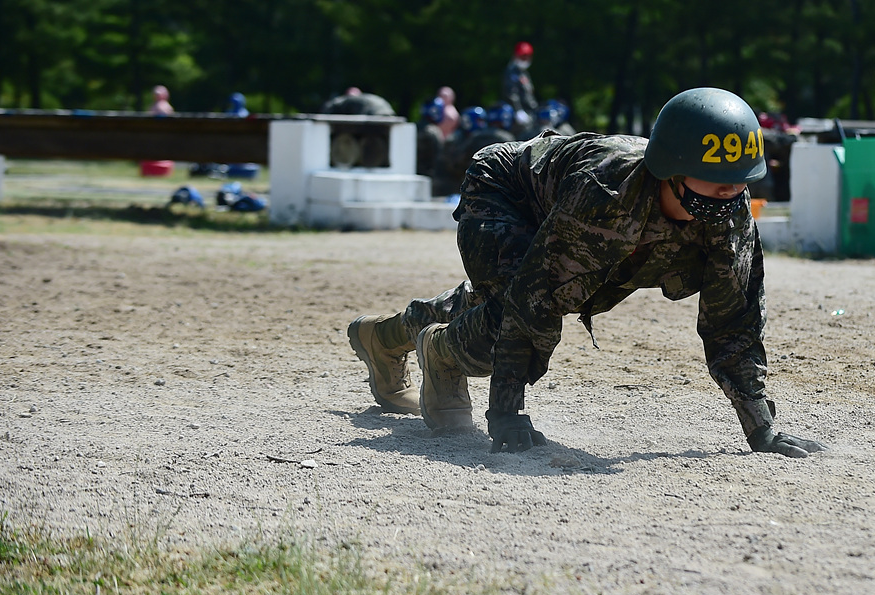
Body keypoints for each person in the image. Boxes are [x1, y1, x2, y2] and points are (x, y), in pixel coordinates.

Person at [347, 87, 825, 458]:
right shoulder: (604, 194)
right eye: (718, 181)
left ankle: (386, 336)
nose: (730, 193)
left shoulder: (728, 209)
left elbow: (734, 319)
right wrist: (506, 413)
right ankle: (441, 351)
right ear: (673, 171)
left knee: (507, 299)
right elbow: (535, 297)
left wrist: (761, 427)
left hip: (568, 212)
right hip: (507, 191)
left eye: (739, 181)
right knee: (514, 309)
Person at [501, 42, 538, 117]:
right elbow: (512, 94)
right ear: (515, 55)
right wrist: (518, 110)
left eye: (527, 56)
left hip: (530, 112)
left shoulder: (524, 73)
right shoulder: (511, 72)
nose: (525, 59)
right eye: (523, 56)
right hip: (518, 115)